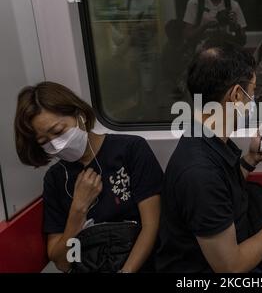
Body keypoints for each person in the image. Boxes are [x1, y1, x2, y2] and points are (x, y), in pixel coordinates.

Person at [156, 44, 262, 273]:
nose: (255, 100)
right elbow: (230, 266)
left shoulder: (205, 137)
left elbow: (223, 190)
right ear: (236, 95)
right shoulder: (199, 172)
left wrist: (251, 159)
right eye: (253, 92)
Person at [14, 82, 163, 273]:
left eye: (58, 131)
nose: (56, 145)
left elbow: (152, 225)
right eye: (45, 142)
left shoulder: (131, 150)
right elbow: (62, 262)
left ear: (80, 115)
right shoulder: (56, 179)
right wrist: (78, 210)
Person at [183, 0, 247, 51]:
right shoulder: (195, 3)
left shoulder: (233, 5)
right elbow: (187, 36)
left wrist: (236, 26)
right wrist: (204, 26)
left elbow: (243, 41)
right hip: (202, 51)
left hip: (226, 52)